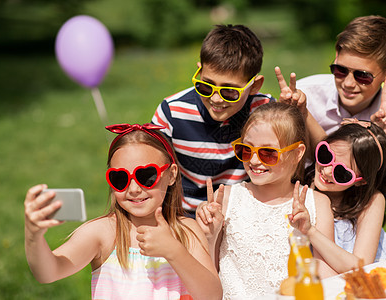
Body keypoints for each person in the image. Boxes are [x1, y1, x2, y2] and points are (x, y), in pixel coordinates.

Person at [24, 123, 222, 300]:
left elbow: (212, 295)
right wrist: (34, 235)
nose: (134, 189)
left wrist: (174, 252)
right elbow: (48, 272)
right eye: (120, 178)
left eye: (146, 175)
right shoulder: (104, 233)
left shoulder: (186, 231)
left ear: (171, 175)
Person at [196, 102, 334, 298]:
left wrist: (309, 231)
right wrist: (209, 237)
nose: (253, 161)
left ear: (297, 153)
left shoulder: (317, 203)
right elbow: (208, 279)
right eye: (246, 149)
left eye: (268, 153)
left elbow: (328, 276)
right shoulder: (226, 199)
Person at [151, 24, 282, 215]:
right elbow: (152, 174)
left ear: (254, 86)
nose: (216, 98)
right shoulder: (171, 112)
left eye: (229, 91)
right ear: (200, 71)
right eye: (206, 85)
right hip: (187, 216)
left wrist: (296, 115)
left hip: (245, 213)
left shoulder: (265, 110)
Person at [290, 120, 386, 275]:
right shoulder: (300, 187)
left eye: (342, 173)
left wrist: (311, 232)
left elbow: (360, 266)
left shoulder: (372, 201)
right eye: (325, 155)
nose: (327, 171)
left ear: (361, 181)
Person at [292, 15, 386, 151]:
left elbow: (378, 172)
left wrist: (380, 138)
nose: (348, 83)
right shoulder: (305, 94)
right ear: (336, 57)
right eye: (340, 70)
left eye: (362, 76)